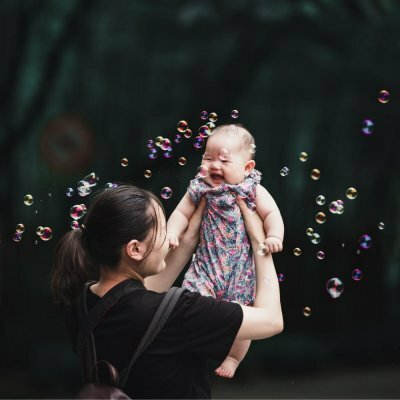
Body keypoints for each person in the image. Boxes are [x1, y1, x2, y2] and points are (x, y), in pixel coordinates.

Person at [51, 184, 283, 399]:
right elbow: (271, 321)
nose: (169, 239)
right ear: (135, 248)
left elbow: (137, 302)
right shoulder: (181, 313)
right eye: (163, 230)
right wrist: (258, 242)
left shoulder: (81, 307)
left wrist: (191, 235)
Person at [167, 124, 284, 378]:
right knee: (193, 302)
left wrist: (274, 235)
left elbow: (272, 214)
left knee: (244, 314)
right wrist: (172, 232)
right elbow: (181, 213)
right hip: (207, 266)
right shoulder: (200, 187)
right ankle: (193, 345)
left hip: (241, 272)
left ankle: (233, 357)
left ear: (247, 168)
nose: (214, 165)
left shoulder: (252, 189)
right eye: (208, 158)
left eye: (223, 160)